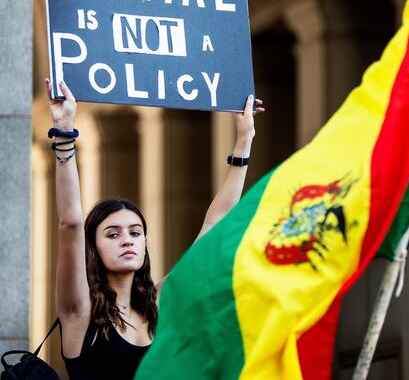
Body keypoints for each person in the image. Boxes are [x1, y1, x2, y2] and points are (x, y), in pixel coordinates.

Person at [45, 78, 264, 380]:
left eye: (135, 232)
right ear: (92, 247)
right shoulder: (80, 312)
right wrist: (65, 132)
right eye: (113, 234)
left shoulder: (157, 306)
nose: (127, 240)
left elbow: (214, 225)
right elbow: (70, 223)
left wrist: (245, 138)